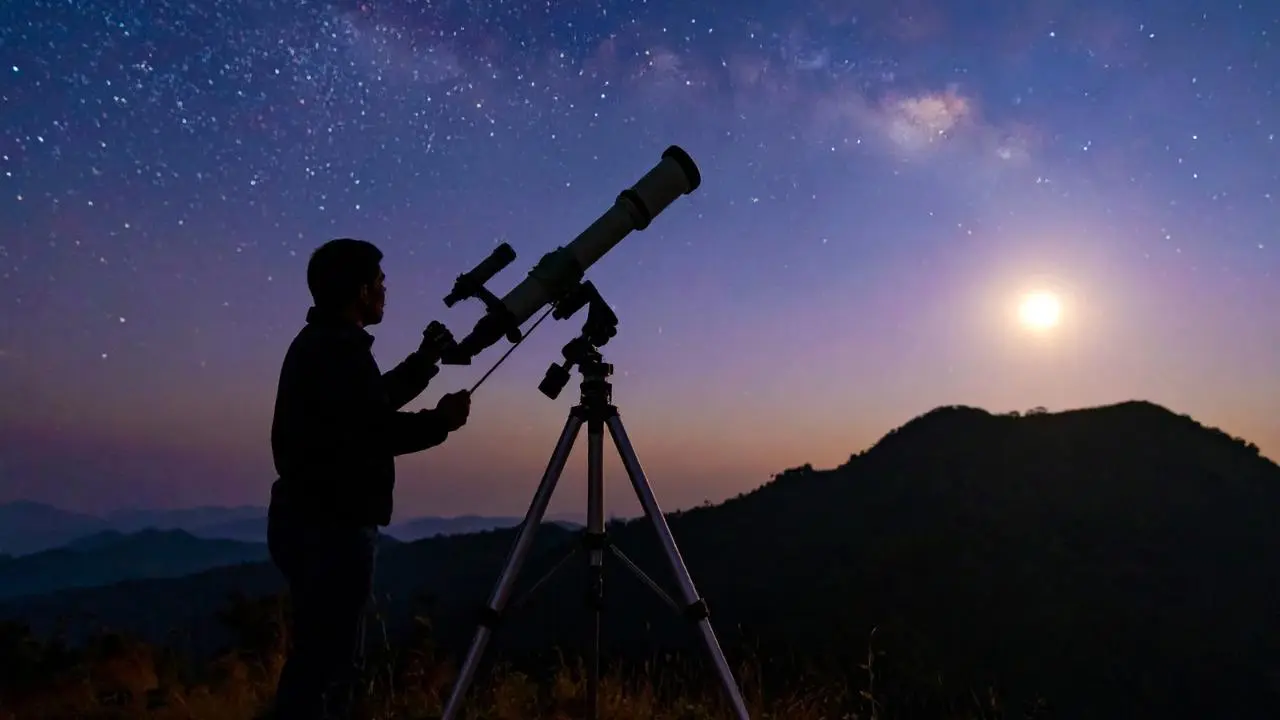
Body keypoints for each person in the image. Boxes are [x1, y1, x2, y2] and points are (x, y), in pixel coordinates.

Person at [266, 238, 472, 720]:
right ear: (360, 290)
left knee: (318, 657)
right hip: (332, 527)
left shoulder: (324, 344)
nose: (385, 288)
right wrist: (440, 421)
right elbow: (371, 430)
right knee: (330, 666)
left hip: (308, 519)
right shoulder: (338, 349)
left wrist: (424, 361)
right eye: (379, 280)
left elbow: (366, 404)